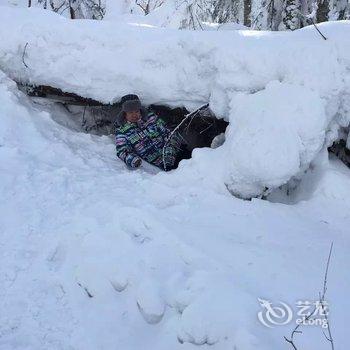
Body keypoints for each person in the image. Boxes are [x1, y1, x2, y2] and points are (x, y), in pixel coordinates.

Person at [115, 94, 183, 171]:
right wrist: (133, 160)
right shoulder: (122, 131)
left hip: (177, 152)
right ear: (124, 113)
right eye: (130, 112)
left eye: (137, 111)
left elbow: (169, 133)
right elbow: (122, 151)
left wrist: (169, 152)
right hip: (162, 164)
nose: (134, 115)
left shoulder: (151, 118)